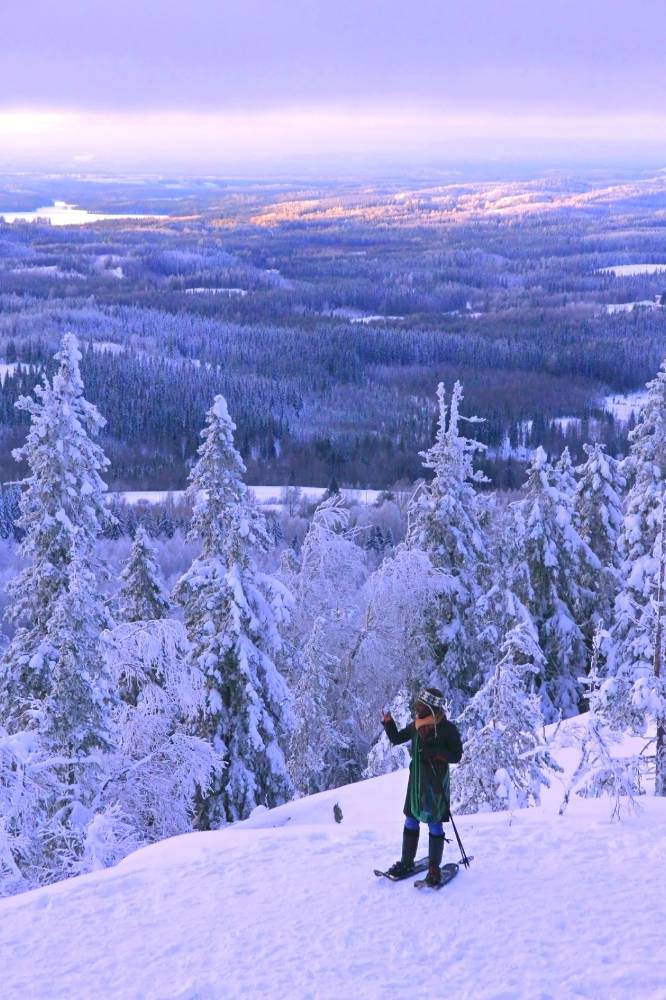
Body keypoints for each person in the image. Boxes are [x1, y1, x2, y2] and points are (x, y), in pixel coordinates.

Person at [382, 687, 462, 886]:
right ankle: (407, 863)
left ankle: (434, 868)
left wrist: (436, 752)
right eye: (417, 705)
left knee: (434, 822)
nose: (416, 709)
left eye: (420, 706)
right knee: (411, 818)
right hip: (416, 781)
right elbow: (397, 738)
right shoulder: (417, 725)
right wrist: (388, 722)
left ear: (431, 708)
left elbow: (457, 755)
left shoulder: (447, 729)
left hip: (434, 785)